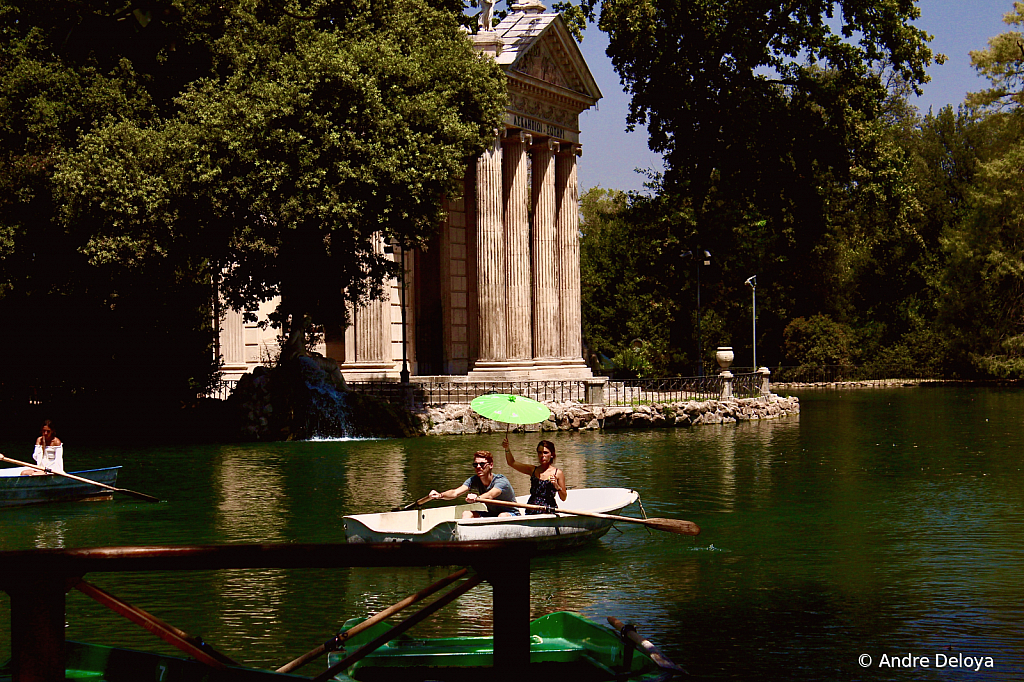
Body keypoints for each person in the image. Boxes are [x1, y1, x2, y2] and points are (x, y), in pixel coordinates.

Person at [428, 451, 519, 519]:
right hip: (491, 514)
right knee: (467, 514)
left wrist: (477, 498)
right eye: (475, 465)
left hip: (511, 514)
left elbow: (490, 495)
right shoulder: (474, 480)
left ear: (491, 465)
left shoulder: (501, 481)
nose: (478, 467)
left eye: (482, 464)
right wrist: (440, 495)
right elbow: (455, 492)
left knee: (502, 516)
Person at [502, 437, 566, 514]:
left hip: (548, 509)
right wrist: (507, 449)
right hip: (532, 508)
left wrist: (557, 486)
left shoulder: (558, 473)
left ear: (552, 455)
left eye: (545, 453)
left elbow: (563, 498)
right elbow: (511, 463)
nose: (542, 455)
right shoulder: (532, 470)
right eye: (540, 452)